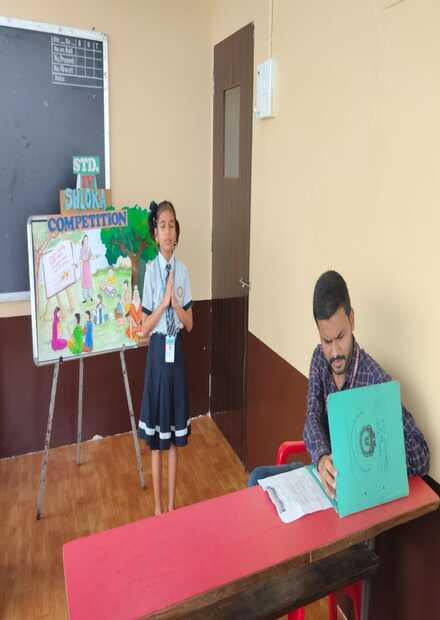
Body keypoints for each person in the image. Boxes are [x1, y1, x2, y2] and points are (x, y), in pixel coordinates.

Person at [248, 270, 430, 496]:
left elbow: (422, 454)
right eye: (327, 341)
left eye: (341, 337)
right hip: (324, 477)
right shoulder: (319, 358)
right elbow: (312, 416)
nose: (334, 352)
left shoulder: (376, 381)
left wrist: (379, 457)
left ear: (351, 320)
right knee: (257, 477)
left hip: (358, 492)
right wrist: (322, 458)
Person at [138, 200, 193, 516]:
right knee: (157, 440)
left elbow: (190, 323)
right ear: (155, 234)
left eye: (172, 225)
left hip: (177, 354)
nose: (168, 231)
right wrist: (164, 302)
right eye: (162, 225)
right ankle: (158, 509)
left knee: (173, 438)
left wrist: (177, 306)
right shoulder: (150, 271)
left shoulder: (183, 271)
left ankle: (172, 507)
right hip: (158, 355)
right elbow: (144, 328)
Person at [79, 234, 94, 302]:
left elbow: (91, 256)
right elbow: (80, 259)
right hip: (83, 267)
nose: (86, 241)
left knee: (89, 281)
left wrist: (94, 257)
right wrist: (77, 264)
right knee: (84, 281)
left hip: (88, 266)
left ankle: (90, 296)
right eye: (85, 239)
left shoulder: (89, 248)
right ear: (83, 240)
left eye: (87, 239)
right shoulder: (81, 249)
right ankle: (85, 298)